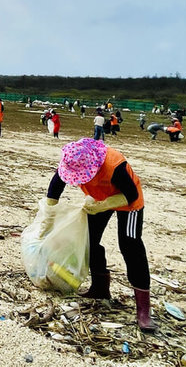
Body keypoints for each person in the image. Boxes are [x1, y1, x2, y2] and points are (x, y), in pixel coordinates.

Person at [43, 138, 157, 332]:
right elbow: (54, 191)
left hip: (128, 203)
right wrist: (46, 222)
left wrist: (103, 206)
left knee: (130, 245)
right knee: (89, 240)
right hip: (99, 199)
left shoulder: (114, 165)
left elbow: (131, 195)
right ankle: (100, 288)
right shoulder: (72, 160)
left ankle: (143, 309)